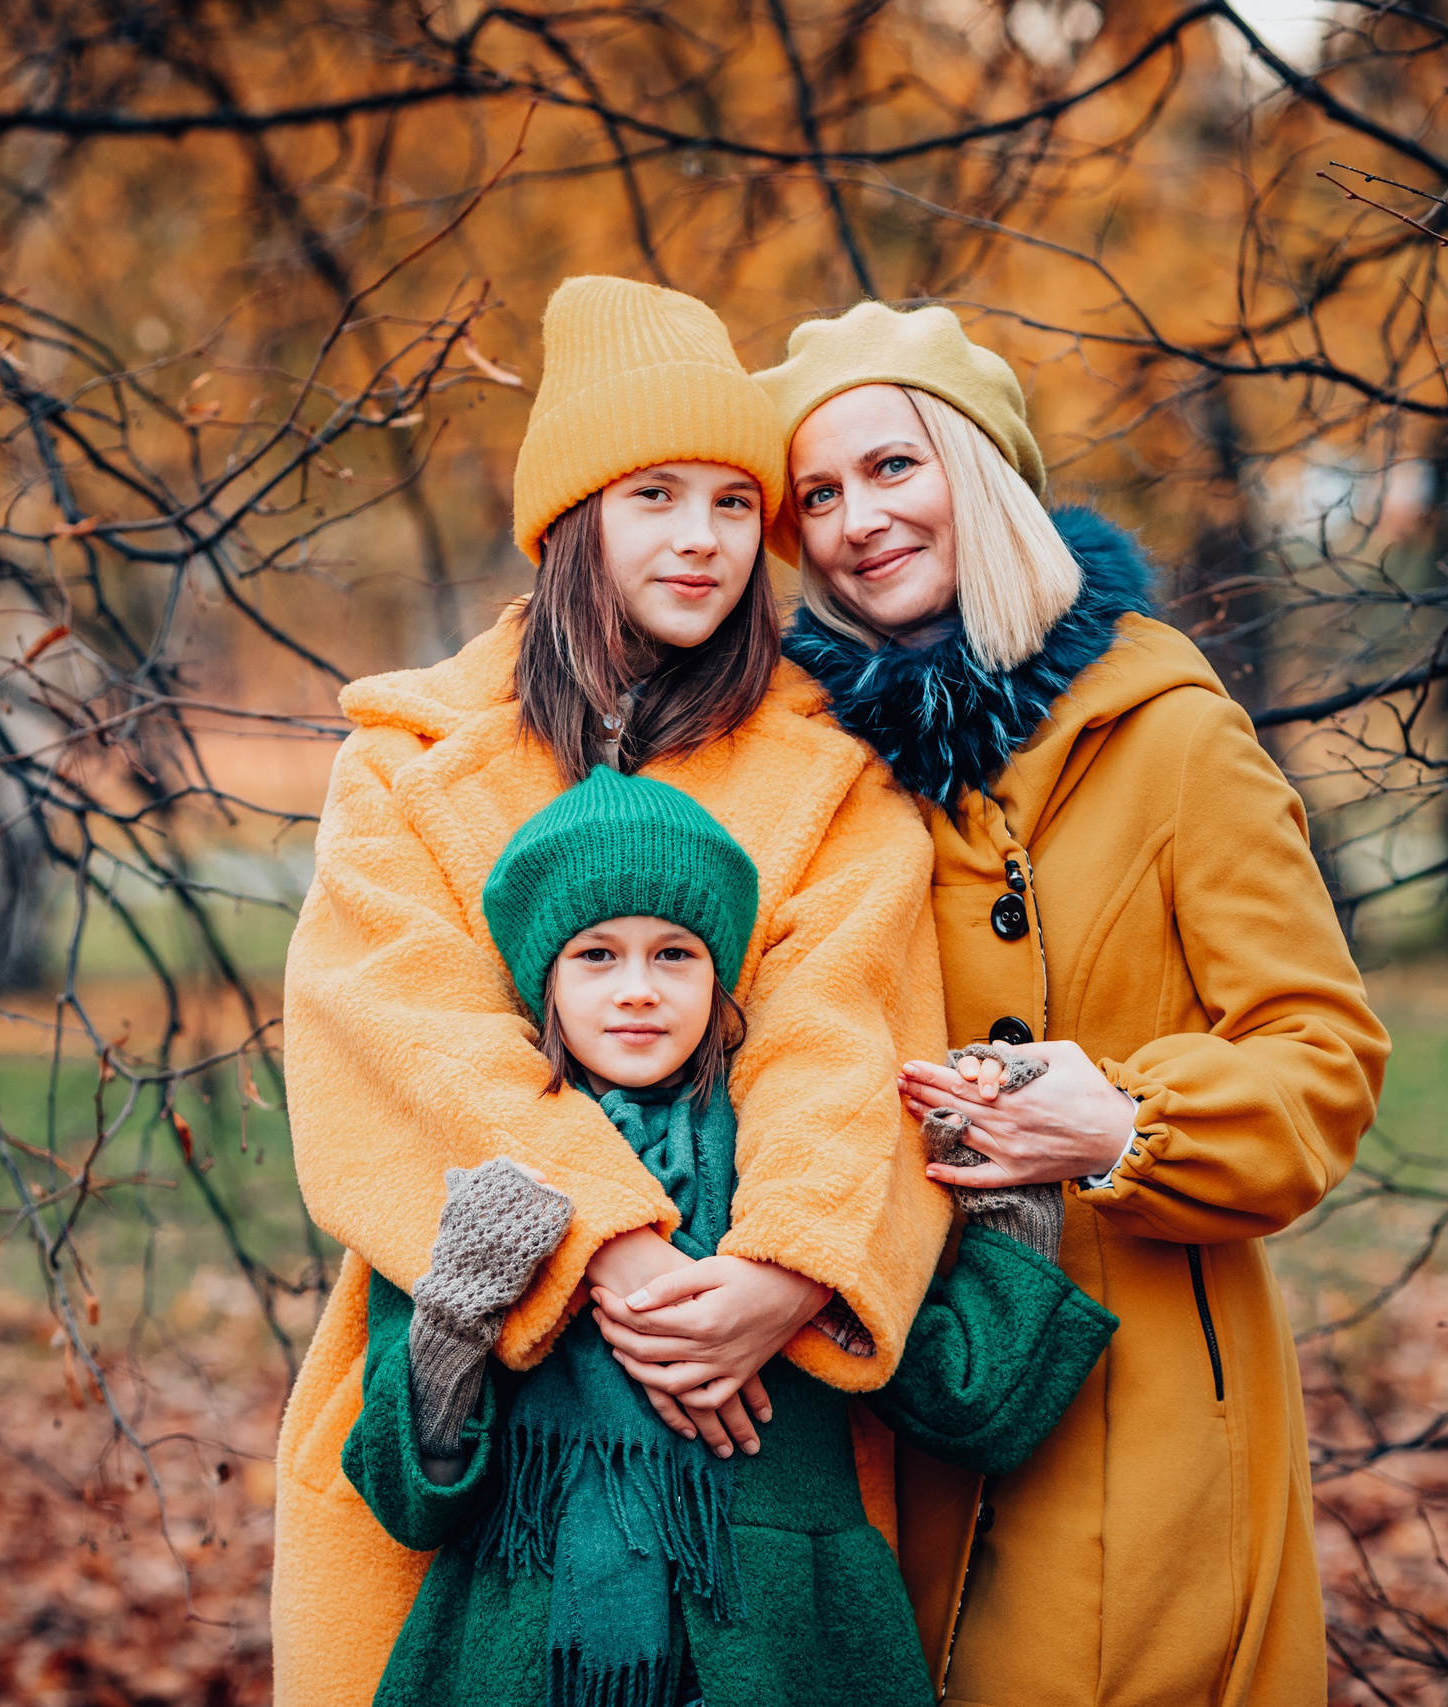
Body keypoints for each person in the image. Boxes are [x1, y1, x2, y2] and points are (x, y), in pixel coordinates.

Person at [270, 278, 953, 1707]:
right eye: (654, 493)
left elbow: (844, 1030)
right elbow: (406, 1040)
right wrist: (612, 1245)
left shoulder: (831, 771)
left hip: (755, 1433)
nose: (701, 538)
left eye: (730, 500)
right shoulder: (413, 760)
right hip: (480, 1416)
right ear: (575, 518)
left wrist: (780, 1269)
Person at [756, 301, 1392, 1707]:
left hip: (1145, 1382)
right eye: (819, 494)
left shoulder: (1167, 727)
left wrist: (1124, 1121)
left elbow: (1323, 1057)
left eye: (893, 465)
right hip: (894, 1383)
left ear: (978, 469)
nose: (858, 518)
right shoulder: (806, 765)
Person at [339, 767, 1115, 1707]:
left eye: (675, 954)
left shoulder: (792, 1169)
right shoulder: (484, 1172)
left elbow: (971, 1405)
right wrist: (460, 1314)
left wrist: (1010, 1201)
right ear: (542, 972)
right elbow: (410, 1496)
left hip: (788, 1646)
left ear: (721, 973)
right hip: (516, 1645)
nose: (637, 989)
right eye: (596, 954)